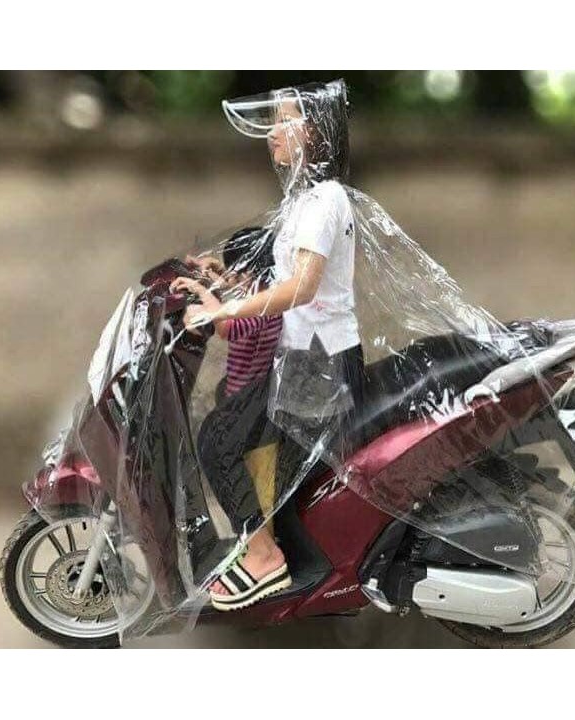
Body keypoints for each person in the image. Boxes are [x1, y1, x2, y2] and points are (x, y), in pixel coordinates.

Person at [176, 80, 365, 611]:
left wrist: (224, 311)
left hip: (320, 367)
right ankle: (264, 544)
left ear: (315, 132)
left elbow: (301, 287)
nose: (272, 134)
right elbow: (278, 276)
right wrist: (222, 280)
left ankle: (264, 558)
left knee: (218, 439)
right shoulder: (304, 199)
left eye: (284, 121)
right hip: (304, 360)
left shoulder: (324, 201)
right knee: (232, 433)